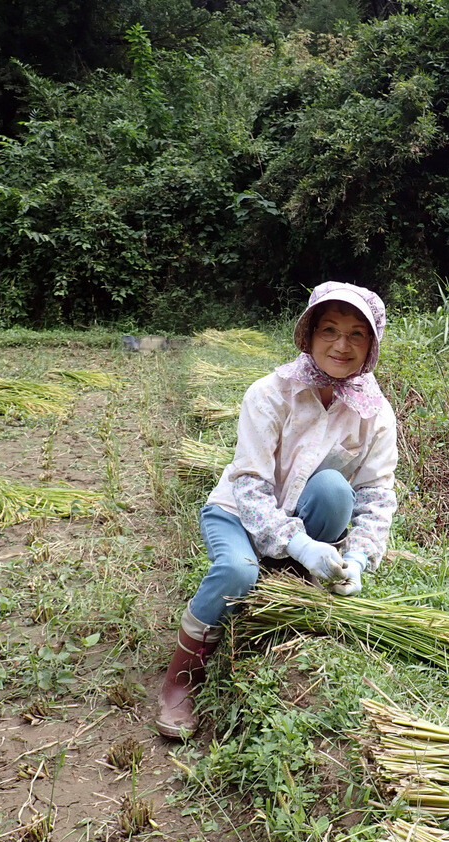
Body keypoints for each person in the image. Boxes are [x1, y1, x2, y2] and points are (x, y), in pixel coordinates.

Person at [155, 282, 399, 738]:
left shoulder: (375, 413)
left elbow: (376, 495)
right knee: (238, 573)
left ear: (372, 346)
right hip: (236, 513)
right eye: (329, 330)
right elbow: (248, 486)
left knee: (334, 491)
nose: (340, 345)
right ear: (307, 334)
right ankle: (181, 680)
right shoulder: (270, 393)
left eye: (356, 334)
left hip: (301, 516)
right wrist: (301, 544)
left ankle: (286, 576)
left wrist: (361, 559)